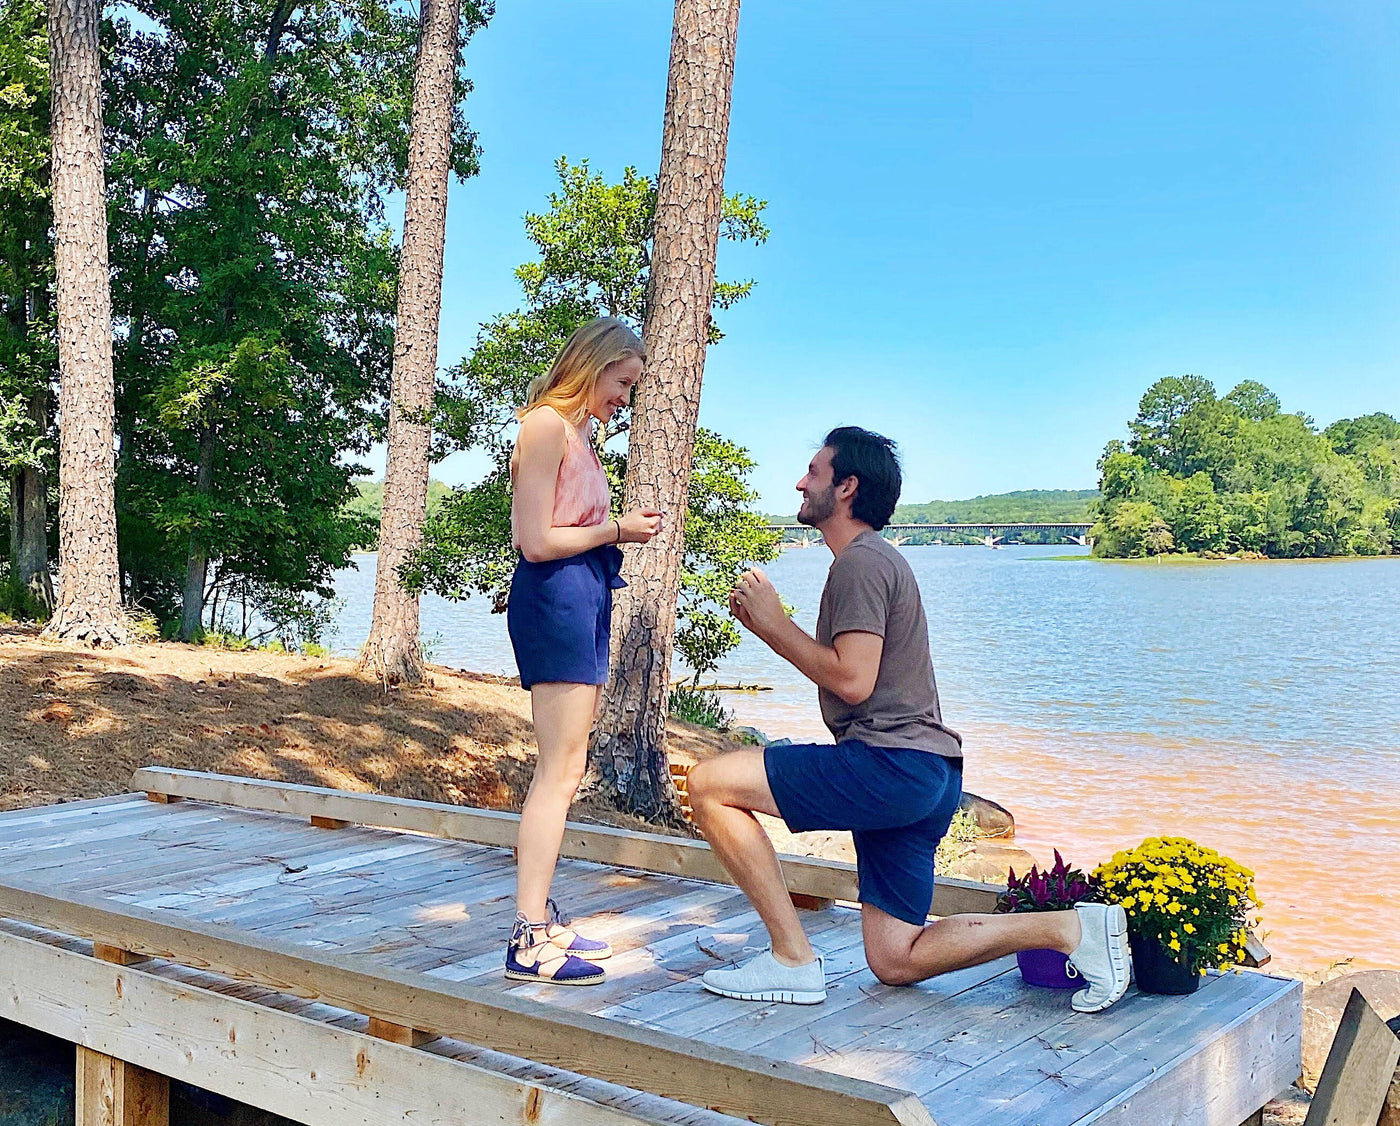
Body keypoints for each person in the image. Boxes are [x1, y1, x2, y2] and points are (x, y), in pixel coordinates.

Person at [687, 427, 1130, 1012]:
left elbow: (852, 678)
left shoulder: (861, 563)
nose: (799, 481)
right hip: (929, 774)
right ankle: (1070, 931)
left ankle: (792, 958)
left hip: (890, 765)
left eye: (814, 472)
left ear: (847, 487)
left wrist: (772, 627)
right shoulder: (874, 561)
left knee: (708, 786)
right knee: (896, 958)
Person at [503, 317, 662, 985]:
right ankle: (528, 936)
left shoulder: (578, 436)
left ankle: (541, 915)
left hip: (582, 598)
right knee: (557, 773)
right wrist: (617, 529)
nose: (624, 400)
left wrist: (609, 534)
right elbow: (533, 540)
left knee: (569, 769)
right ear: (592, 365)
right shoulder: (544, 426)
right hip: (556, 600)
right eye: (622, 384)